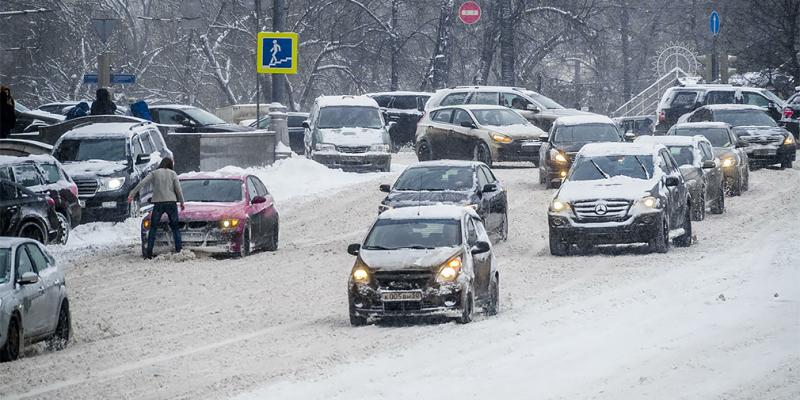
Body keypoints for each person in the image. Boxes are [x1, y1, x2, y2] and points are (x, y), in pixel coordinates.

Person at [128, 158, 185, 258]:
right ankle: (179, 250)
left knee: (153, 228)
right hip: (171, 203)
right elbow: (178, 190)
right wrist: (181, 202)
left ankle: (149, 253)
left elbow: (142, 183)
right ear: (170, 165)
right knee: (175, 228)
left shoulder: (154, 173)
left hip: (158, 203)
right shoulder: (173, 174)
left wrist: (132, 194)